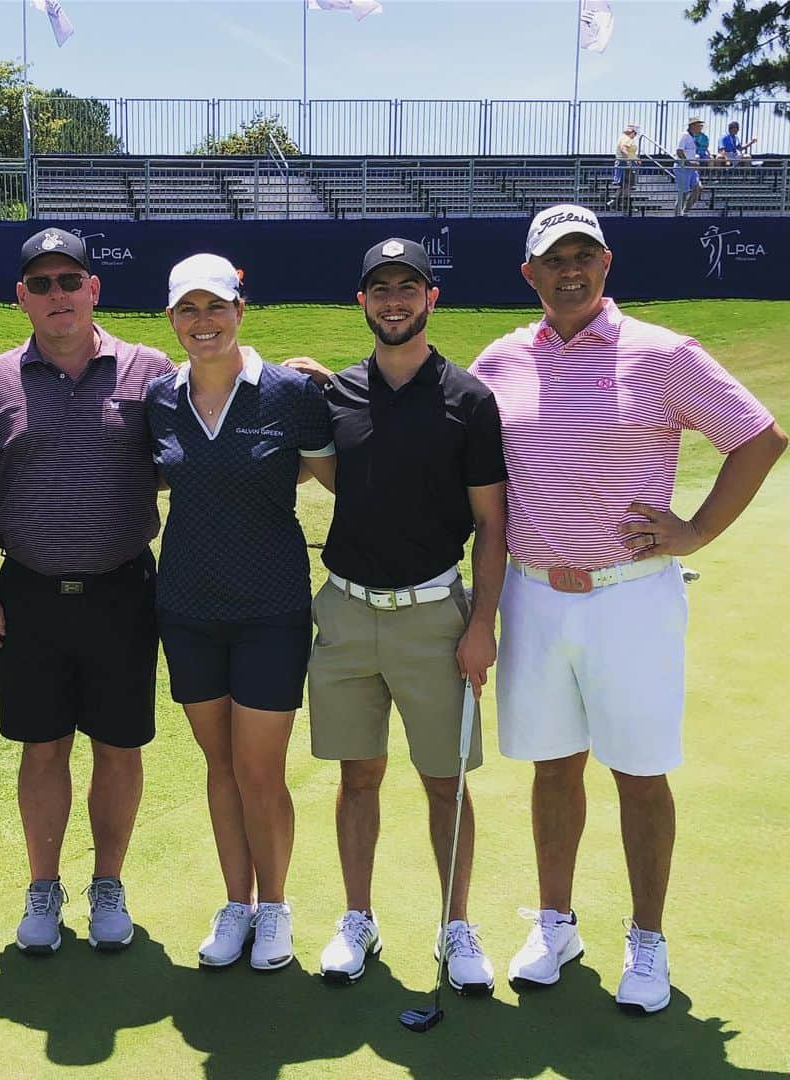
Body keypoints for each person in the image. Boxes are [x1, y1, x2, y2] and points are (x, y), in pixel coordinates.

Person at [469, 204, 787, 1014]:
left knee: (640, 776)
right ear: (529, 274)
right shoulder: (499, 361)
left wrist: (698, 530)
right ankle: (555, 923)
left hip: (631, 600)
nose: (570, 270)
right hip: (534, 596)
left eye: (585, 256)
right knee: (552, 767)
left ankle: (647, 938)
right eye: (554, 259)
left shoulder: (662, 353)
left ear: (606, 266)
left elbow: (758, 436)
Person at [287, 238, 507, 993]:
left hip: (433, 617)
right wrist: (306, 383)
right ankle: (359, 919)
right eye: (379, 288)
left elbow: (492, 522)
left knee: (444, 782)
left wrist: (482, 623)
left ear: (430, 297)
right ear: (362, 302)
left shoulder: (469, 399)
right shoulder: (340, 394)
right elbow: (336, 474)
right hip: (346, 613)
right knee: (358, 778)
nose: (393, 300)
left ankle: (455, 925)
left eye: (406, 287)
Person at [0, 229, 173, 956]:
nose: (57, 296)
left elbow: (201, 448)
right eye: (41, 284)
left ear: (93, 291)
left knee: (118, 745)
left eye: (69, 281)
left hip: (122, 591)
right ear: (21, 297)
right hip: (30, 595)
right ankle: (43, 886)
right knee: (42, 747)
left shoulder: (149, 372)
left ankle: (107, 884)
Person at [146, 254, 335, 972]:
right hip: (188, 607)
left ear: (240, 311)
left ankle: (277, 907)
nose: (203, 322)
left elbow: (348, 477)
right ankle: (237, 904)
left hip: (270, 610)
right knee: (219, 765)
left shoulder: (289, 394)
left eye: (215, 306)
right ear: (172, 320)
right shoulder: (160, 399)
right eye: (187, 310)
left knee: (260, 769)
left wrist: (335, 382)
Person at [674, 118, 704, 215]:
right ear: (693, 125)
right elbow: (679, 151)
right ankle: (678, 215)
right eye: (699, 125)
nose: (701, 127)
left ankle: (685, 211)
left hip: (691, 169)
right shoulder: (685, 135)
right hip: (683, 168)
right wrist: (689, 163)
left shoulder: (693, 137)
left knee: (698, 188)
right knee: (683, 193)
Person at [609, 123, 639, 210]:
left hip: (621, 163)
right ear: (633, 132)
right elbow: (624, 149)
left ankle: (615, 203)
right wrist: (632, 159)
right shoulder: (628, 139)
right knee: (627, 186)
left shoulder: (622, 137)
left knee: (623, 186)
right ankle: (626, 205)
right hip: (625, 164)